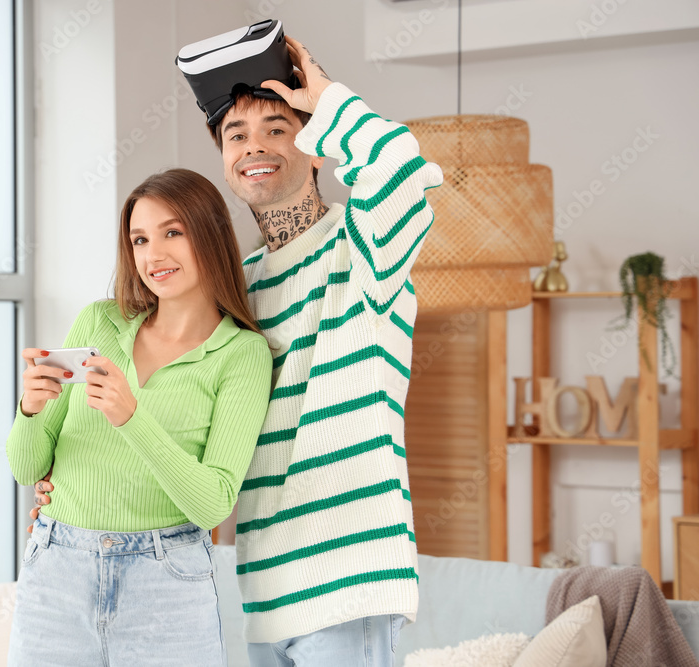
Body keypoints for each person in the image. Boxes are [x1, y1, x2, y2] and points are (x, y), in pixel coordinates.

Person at [31, 36, 443, 666]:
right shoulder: (235, 290)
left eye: (277, 127)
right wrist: (80, 482)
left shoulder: (364, 252)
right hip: (260, 589)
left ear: (315, 145)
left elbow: (402, 173)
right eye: (236, 135)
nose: (255, 147)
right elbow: (189, 421)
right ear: (224, 160)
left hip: (348, 583)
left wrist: (327, 99)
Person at [6, 168, 273, 667]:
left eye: (173, 232)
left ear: (210, 234)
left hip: (166, 579)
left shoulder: (241, 354)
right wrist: (30, 410)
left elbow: (213, 505)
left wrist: (132, 418)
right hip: (57, 569)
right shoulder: (99, 322)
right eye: (140, 239)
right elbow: (26, 469)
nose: (154, 255)